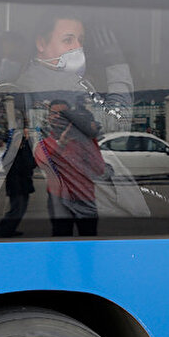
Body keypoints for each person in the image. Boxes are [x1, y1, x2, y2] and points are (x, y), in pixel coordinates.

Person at [14, 9, 133, 133]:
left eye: (80, 41)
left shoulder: (28, 78)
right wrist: (116, 65)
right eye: (68, 40)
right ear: (41, 43)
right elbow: (118, 123)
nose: (78, 47)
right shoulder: (66, 87)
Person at [34, 100, 104, 236]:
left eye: (62, 114)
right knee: (61, 238)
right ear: (48, 117)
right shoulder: (47, 141)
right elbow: (41, 163)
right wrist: (61, 143)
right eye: (54, 113)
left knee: (88, 239)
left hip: (85, 196)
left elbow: (99, 169)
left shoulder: (84, 139)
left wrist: (87, 138)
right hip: (58, 198)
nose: (58, 117)